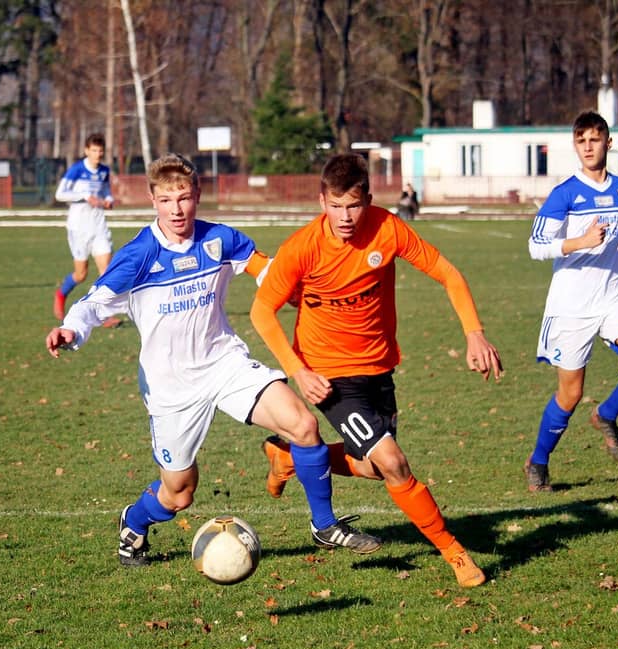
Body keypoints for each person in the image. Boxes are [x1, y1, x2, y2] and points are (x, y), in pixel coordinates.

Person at [45, 153, 381, 568]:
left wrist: (298, 290)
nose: (176, 209)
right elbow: (93, 303)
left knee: (303, 424)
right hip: (171, 387)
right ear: (153, 200)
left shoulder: (219, 239)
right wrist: (71, 329)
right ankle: (133, 522)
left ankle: (325, 525)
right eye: (166, 200)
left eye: (184, 198)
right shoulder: (139, 255)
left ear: (198, 195)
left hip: (224, 363)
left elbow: (265, 269)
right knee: (179, 493)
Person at [250, 152, 502, 588]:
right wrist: (298, 371)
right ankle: (454, 552)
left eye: (353, 205)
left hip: (379, 369)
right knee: (394, 462)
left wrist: (474, 333)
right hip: (330, 377)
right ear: (322, 202)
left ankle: (289, 456)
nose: (345, 217)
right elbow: (261, 311)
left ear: (367, 199)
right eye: (335, 206)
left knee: (373, 468)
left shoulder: (388, 228)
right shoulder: (303, 248)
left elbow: (448, 274)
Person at [523, 110, 618, 492]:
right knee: (570, 393)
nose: (587, 147)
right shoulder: (565, 193)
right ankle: (538, 461)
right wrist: (579, 242)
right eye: (581, 140)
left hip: (613, 295)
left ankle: (606, 415)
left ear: (608, 143)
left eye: (594, 139)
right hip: (571, 304)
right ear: (575, 145)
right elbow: (535, 246)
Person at [52, 133, 120, 327]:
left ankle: (103, 315)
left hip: (99, 226)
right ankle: (61, 294)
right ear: (86, 151)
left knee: (106, 273)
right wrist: (84, 196)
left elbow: (106, 192)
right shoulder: (77, 170)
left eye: (100, 151)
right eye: (94, 150)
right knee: (81, 274)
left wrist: (109, 200)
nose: (98, 154)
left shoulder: (104, 171)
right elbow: (60, 194)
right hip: (78, 227)